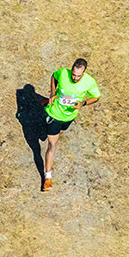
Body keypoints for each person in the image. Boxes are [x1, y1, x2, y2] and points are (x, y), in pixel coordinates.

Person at [41, 57, 101, 191]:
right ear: (71, 69)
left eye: (78, 76)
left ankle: (44, 106)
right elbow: (54, 76)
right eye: (73, 75)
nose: (75, 78)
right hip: (55, 114)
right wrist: (52, 93)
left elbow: (96, 97)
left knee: (60, 132)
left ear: (84, 73)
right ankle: (47, 178)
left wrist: (83, 103)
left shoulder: (89, 82)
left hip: (69, 117)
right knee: (52, 145)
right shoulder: (63, 73)